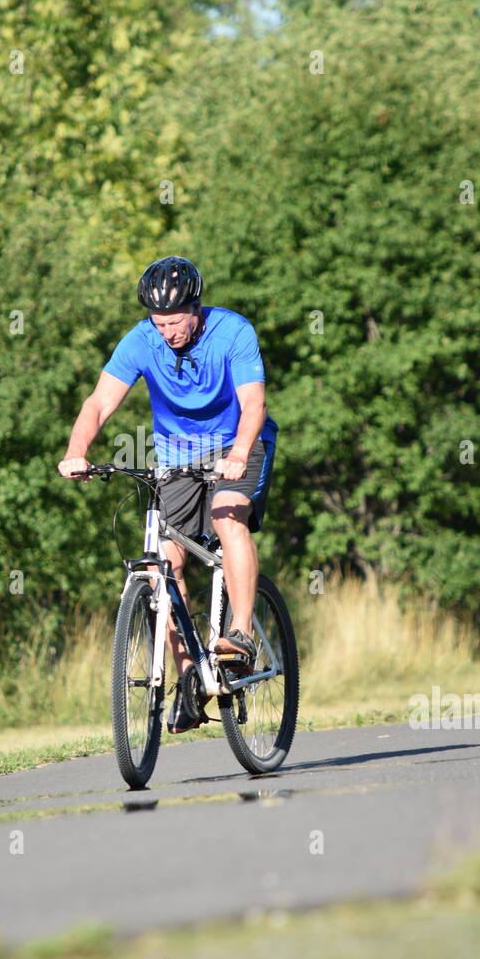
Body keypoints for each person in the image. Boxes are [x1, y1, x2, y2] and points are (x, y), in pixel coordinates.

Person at [58, 255, 278, 732]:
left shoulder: (233, 332)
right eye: (159, 323)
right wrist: (77, 451)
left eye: (175, 322)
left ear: (196, 309)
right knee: (164, 561)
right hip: (177, 456)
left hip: (240, 442)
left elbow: (254, 403)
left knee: (226, 516)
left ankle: (240, 633)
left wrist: (239, 452)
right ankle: (189, 678)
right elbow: (99, 403)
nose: (167, 332)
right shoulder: (140, 341)